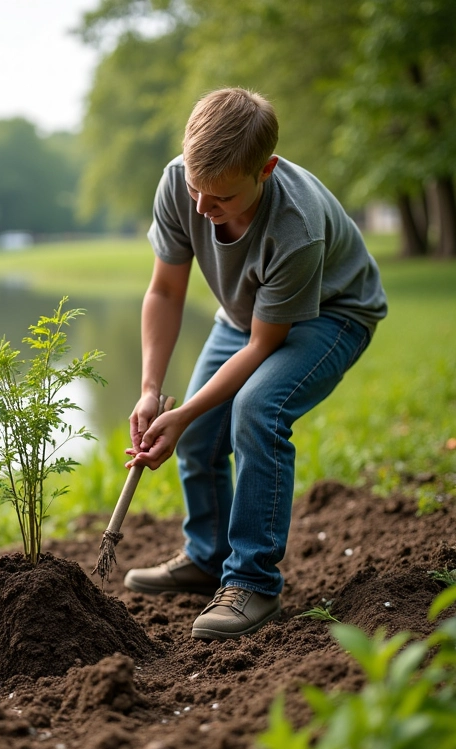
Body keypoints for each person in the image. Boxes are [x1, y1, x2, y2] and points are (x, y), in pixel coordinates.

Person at [123, 88, 387, 641]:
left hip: (332, 312)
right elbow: (166, 292)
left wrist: (187, 409)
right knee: (197, 437)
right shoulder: (181, 182)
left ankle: (253, 582)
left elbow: (265, 345)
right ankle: (207, 558)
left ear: (264, 170)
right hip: (247, 314)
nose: (200, 208)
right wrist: (152, 390)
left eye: (219, 197)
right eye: (196, 189)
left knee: (257, 410)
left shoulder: (296, 223)